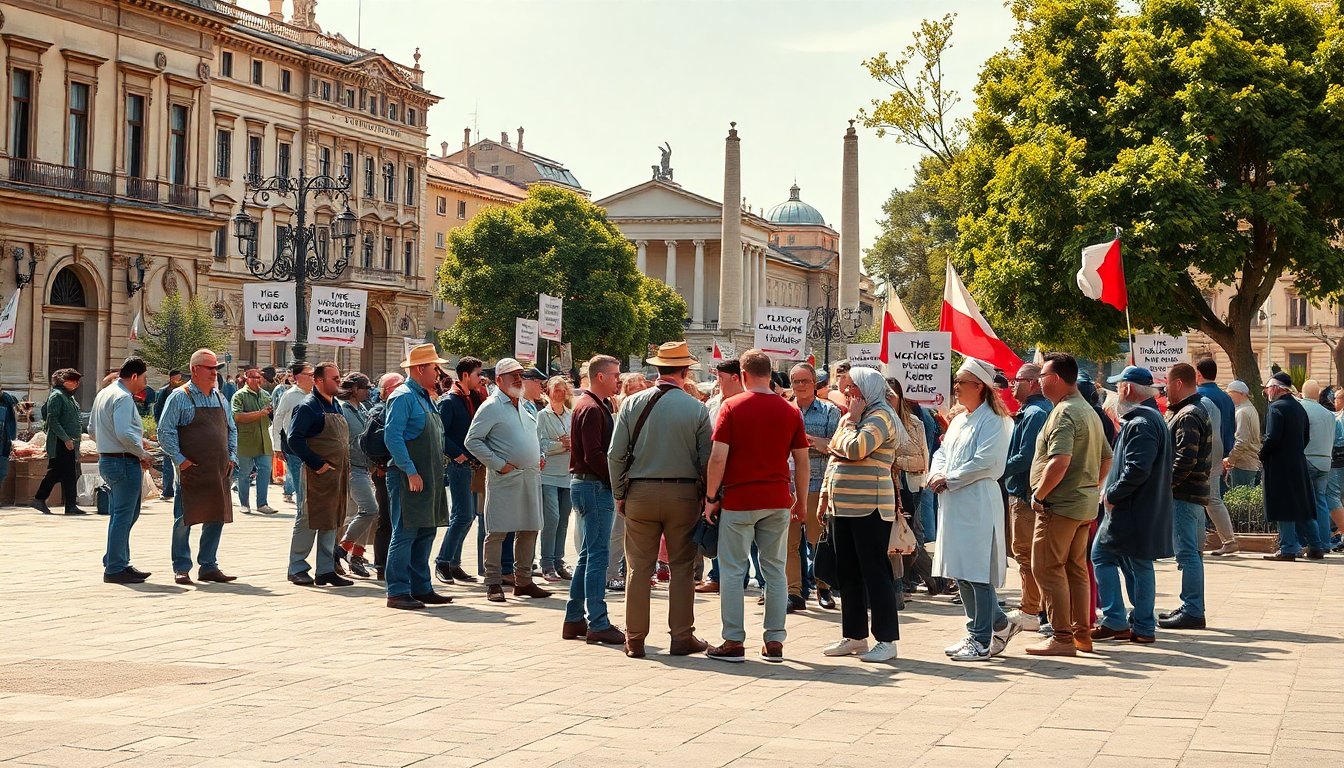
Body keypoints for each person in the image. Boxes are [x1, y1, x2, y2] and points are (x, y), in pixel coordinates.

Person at [703, 349, 810, 663]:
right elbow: (802, 462)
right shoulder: (791, 411)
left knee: (734, 572)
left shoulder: (732, 407)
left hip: (739, 499)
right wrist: (800, 501)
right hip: (777, 499)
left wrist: (711, 498)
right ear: (771, 372)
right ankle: (774, 640)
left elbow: (718, 457)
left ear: (744, 375)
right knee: (775, 570)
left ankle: (734, 640)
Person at [609, 342, 712, 658]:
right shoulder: (696, 408)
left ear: (657, 369)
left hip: (640, 491)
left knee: (638, 568)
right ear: (685, 371)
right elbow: (706, 459)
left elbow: (615, 454)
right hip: (683, 494)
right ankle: (681, 636)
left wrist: (619, 493)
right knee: (681, 567)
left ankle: (635, 638)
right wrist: (708, 498)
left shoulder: (631, 403)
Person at [1021, 352, 1113, 656]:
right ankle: (1080, 634)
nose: (1038, 382)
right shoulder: (1086, 409)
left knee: (1046, 567)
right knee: (1075, 568)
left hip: (1059, 505)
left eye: (1042, 377)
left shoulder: (1064, 413)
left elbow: (1059, 462)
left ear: (1056, 379)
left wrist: (1040, 495)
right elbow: (1107, 458)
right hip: (1082, 503)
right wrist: (1091, 487)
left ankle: (1062, 636)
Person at [816, 367, 906, 662]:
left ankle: (887, 639)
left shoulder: (880, 417)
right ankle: (854, 635)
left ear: (866, 389)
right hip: (842, 506)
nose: (847, 392)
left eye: (852, 387)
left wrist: (851, 423)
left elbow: (855, 450)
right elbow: (834, 456)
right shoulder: (849, 419)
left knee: (875, 572)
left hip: (870, 506)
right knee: (848, 572)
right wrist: (825, 495)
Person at [929, 358, 1014, 661]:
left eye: (960, 382)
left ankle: (980, 639)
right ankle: (999, 624)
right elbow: (941, 452)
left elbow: (986, 462)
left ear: (978, 386)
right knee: (961, 570)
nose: (955, 388)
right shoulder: (962, 420)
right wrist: (936, 473)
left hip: (977, 500)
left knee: (977, 570)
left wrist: (948, 478)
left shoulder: (995, 420)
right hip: (954, 501)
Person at [1092, 366, 1173, 644]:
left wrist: (1112, 494)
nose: (1116, 392)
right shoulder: (1147, 419)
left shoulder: (1141, 422)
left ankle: (1124, 621)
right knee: (1133, 563)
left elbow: (1138, 469)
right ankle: (1137, 623)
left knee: (1107, 557)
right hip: (1136, 508)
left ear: (1126, 389)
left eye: (1118, 387)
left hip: (1132, 509)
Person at [465, 358, 552, 603]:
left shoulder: (525, 405)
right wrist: (499, 464)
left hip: (531, 475)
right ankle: (493, 582)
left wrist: (541, 455)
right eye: (512, 375)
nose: (517, 379)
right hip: (505, 477)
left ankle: (523, 581)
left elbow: (534, 436)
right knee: (498, 530)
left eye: (520, 375)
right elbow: (472, 441)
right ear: (499, 379)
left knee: (530, 527)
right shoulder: (491, 406)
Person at [158, 349, 239, 585]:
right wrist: (180, 460)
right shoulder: (179, 397)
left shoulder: (220, 397)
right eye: (210, 368)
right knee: (185, 519)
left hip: (219, 469)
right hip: (190, 471)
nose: (215, 373)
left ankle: (208, 566)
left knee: (216, 516)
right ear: (195, 370)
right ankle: (181, 567)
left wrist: (231, 456)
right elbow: (165, 431)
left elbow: (231, 429)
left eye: (216, 368)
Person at [383, 345, 453, 610]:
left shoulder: (424, 396)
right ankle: (398, 591)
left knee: (426, 530)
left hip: (430, 477)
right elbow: (393, 436)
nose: (438, 373)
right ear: (420, 369)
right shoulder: (402, 396)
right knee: (405, 532)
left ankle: (421, 587)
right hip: (408, 477)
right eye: (435, 367)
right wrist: (410, 470)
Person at [563, 354, 625, 644]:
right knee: (598, 556)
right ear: (600, 377)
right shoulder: (591, 408)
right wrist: (617, 480)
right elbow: (594, 455)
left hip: (588, 485)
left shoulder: (593, 405)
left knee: (589, 555)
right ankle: (597, 622)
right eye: (615, 375)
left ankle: (574, 619)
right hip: (593, 486)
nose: (618, 380)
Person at [286, 362, 354, 588]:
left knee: (332, 519)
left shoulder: (337, 405)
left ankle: (325, 571)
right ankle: (297, 567)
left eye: (339, 377)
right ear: (318, 381)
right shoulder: (308, 407)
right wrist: (317, 464)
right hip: (317, 474)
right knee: (309, 519)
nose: (339, 381)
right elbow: (294, 439)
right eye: (334, 378)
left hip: (338, 474)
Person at [90, 357, 157, 584]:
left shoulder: (104, 394)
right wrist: (141, 453)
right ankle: (115, 566)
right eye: (145, 377)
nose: (146, 382)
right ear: (135, 376)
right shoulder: (123, 398)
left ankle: (116, 559)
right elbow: (124, 433)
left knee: (122, 514)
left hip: (109, 459)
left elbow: (92, 429)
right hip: (123, 461)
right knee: (124, 515)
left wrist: (132, 445)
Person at [1158, 362, 1213, 630]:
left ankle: (1193, 610)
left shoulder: (1189, 414)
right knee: (1192, 554)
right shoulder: (1191, 411)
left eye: (1167, 383)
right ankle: (1191, 605)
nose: (1164, 389)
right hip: (1191, 493)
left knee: (1188, 554)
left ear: (1178, 383)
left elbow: (1185, 459)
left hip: (1184, 494)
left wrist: (1164, 486)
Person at [1002, 363, 1052, 631]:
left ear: (1032, 382)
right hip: (1024, 492)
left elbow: (1026, 457)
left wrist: (997, 467)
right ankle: (1036, 607)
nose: (1012, 384)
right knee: (1030, 554)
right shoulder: (1032, 411)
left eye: (1017, 379)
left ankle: (1031, 609)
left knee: (1027, 555)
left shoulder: (1035, 413)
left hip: (1025, 493)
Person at [787, 362, 841, 611]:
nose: (800, 386)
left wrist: (809, 443)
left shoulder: (830, 412)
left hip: (818, 483)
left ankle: (823, 587)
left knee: (817, 540)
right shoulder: (785, 410)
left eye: (805, 381)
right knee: (789, 542)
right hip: (788, 484)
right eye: (796, 381)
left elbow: (836, 446)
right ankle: (794, 591)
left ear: (814, 384)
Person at [1259, 372, 1323, 561]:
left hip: (1280, 465)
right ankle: (1315, 545)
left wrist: (1262, 454)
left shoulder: (1276, 408)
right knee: (1301, 505)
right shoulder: (1298, 407)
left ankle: (1287, 548)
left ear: (1276, 388)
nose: (1267, 392)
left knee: (1283, 505)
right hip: (1297, 462)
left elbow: (1272, 437)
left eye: (1268, 389)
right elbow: (1306, 436)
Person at [697, 358, 746, 594]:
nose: (717, 384)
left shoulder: (748, 403)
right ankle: (717, 575)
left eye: (721, 379)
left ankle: (757, 580)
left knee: (749, 534)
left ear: (736, 378)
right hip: (716, 475)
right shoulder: (713, 404)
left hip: (740, 476)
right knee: (715, 524)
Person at [434, 356, 484, 585]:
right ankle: (443, 562)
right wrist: (458, 454)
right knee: (462, 515)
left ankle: (454, 563)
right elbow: (440, 434)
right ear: (465, 375)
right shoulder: (450, 401)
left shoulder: (472, 397)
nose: (480, 379)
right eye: (477, 374)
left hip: (472, 465)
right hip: (458, 465)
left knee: (468, 515)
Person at [1194, 358, 1239, 556]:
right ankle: (1225, 540)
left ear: (1198, 374)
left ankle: (1209, 541)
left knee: (1205, 499)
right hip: (1220, 453)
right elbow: (1232, 426)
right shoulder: (1226, 397)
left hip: (1204, 453)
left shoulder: (1198, 396)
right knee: (1211, 499)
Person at [32, 368, 91, 515]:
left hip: (71, 443)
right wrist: (65, 439)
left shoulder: (69, 397)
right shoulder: (57, 396)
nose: (77, 384)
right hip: (60, 443)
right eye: (74, 381)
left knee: (69, 474)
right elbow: (53, 421)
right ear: (65, 381)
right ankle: (39, 498)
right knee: (57, 472)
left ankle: (70, 505)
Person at [336, 373, 377, 578]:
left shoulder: (361, 408)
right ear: (354, 389)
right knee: (370, 509)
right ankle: (343, 549)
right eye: (365, 388)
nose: (369, 391)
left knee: (354, 515)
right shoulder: (342, 409)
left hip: (363, 467)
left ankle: (354, 556)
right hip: (351, 467)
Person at [537, 375, 575, 582]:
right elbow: (541, 444)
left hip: (568, 473)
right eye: (556, 389)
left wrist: (568, 443)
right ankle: (547, 563)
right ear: (548, 392)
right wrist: (562, 445)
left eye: (563, 389)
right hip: (549, 474)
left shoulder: (571, 415)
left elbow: (577, 442)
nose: (560, 392)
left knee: (563, 520)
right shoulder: (543, 415)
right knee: (551, 519)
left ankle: (559, 561)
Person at [1297, 380, 1336, 560]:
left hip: (1307, 459)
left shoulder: (1301, 408)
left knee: (1301, 502)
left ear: (1302, 393)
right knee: (1321, 502)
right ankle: (1325, 543)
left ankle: (1306, 542)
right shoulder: (1329, 414)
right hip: (1325, 461)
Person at [371, 372, 404, 579]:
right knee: (386, 519)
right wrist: (381, 463)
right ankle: (382, 565)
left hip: (394, 470)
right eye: (397, 386)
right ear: (387, 391)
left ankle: (393, 563)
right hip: (384, 472)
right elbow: (370, 444)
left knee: (396, 519)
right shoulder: (380, 411)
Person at [231, 368, 277, 515]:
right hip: (246, 440)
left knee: (265, 470)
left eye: (259, 378)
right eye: (254, 377)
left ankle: (262, 503)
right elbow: (237, 417)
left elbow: (270, 416)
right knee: (244, 473)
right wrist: (260, 414)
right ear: (246, 379)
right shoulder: (239, 395)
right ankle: (244, 503)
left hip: (264, 439)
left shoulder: (265, 395)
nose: (258, 380)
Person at [271, 362, 313, 511]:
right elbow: (278, 420)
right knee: (301, 487)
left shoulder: (316, 395)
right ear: (297, 377)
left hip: (314, 446)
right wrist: (276, 446)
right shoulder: (289, 396)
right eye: (309, 374)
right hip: (293, 447)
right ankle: (302, 516)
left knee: (311, 487)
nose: (313, 377)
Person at [1224, 380, 1262, 488]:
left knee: (1240, 501)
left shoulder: (1242, 412)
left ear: (1240, 393)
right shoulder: (1251, 409)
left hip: (1243, 464)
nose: (1229, 397)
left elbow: (1241, 441)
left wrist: (1230, 459)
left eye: (1230, 393)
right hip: (1251, 463)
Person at [154, 370, 184, 501]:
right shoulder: (163, 392)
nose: (179, 380)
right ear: (171, 378)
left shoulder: (182, 392)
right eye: (177, 378)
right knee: (167, 460)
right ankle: (167, 490)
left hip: (180, 431)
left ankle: (178, 488)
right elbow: (158, 411)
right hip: (168, 430)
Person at [0, 382, 17, 502]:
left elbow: (11, 421)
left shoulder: (6, 399)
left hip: (3, 442)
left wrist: (11, 439)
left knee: (2, 471)